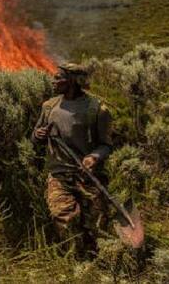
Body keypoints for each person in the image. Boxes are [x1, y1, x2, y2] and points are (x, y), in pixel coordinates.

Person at [32, 63, 113, 256]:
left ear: (74, 81)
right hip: (59, 175)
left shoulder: (97, 109)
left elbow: (106, 145)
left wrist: (93, 157)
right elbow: (35, 138)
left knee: (96, 224)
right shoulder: (49, 106)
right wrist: (38, 135)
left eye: (59, 77)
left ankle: (97, 260)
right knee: (62, 216)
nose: (54, 81)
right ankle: (76, 261)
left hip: (89, 176)